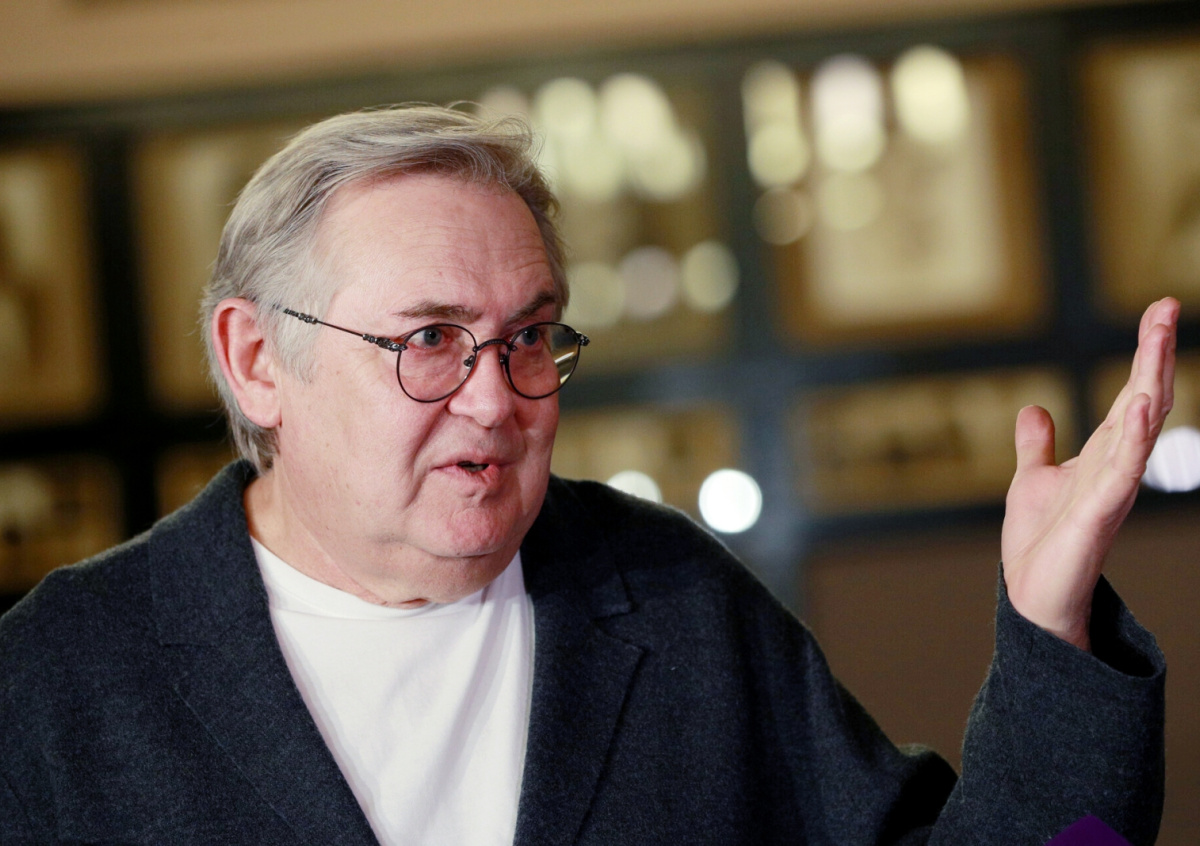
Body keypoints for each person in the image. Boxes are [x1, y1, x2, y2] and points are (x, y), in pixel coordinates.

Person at [0, 105, 1174, 845]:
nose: (495, 399)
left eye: (527, 337)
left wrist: (1051, 624)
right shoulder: (58, 676)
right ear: (258, 361)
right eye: (429, 340)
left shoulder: (666, 594)